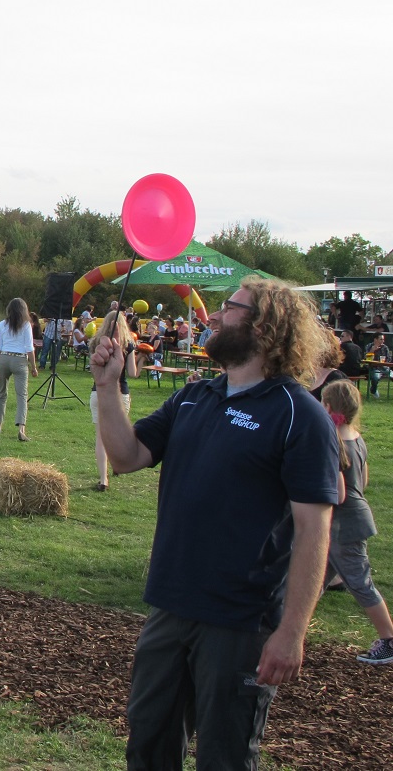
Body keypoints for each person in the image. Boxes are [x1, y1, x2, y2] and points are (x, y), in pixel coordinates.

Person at [91, 277, 338, 769]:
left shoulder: (299, 416)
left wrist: (292, 632)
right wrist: (106, 384)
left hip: (241, 621)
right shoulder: (194, 397)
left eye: (230, 307)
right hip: (171, 605)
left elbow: (315, 531)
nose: (215, 316)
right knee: (148, 747)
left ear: (264, 326)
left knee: (224, 757)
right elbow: (126, 456)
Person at [317, 380, 393, 664]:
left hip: (343, 524)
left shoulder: (333, 440)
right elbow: (364, 479)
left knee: (360, 583)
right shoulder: (355, 436)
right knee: (312, 580)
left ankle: (389, 640)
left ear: (328, 406)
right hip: (352, 517)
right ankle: (286, 630)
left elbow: (337, 494)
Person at [88, 310, 138, 492]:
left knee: (100, 437)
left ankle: (103, 479)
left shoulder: (95, 342)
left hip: (98, 392)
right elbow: (132, 373)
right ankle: (116, 466)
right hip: (120, 392)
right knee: (117, 434)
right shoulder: (128, 344)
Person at [0, 297, 38, 442]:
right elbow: (30, 349)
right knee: (22, 395)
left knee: (1, 393)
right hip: (19, 360)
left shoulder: (2, 324)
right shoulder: (26, 325)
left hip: (4, 359)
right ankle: (21, 429)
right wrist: (34, 367)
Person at [367, 333, 390, 398]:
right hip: (374, 368)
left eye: (383, 339)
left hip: (384, 368)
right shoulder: (369, 346)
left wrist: (384, 362)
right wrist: (372, 350)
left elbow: (388, 358)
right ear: (375, 340)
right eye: (381, 339)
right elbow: (367, 359)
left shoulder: (385, 347)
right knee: (375, 378)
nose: (383, 341)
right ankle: (373, 390)